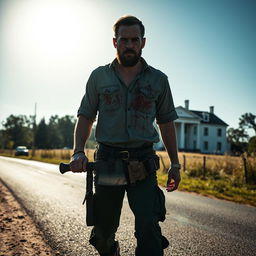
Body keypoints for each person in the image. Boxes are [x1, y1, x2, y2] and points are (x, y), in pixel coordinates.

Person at [70, 15, 181, 256]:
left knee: (148, 229)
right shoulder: (99, 77)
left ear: (143, 42)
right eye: (124, 40)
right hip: (108, 162)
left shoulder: (159, 80)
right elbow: (85, 116)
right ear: (114, 42)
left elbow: (166, 123)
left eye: (134, 40)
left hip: (143, 163)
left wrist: (175, 164)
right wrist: (78, 151)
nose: (129, 45)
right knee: (103, 232)